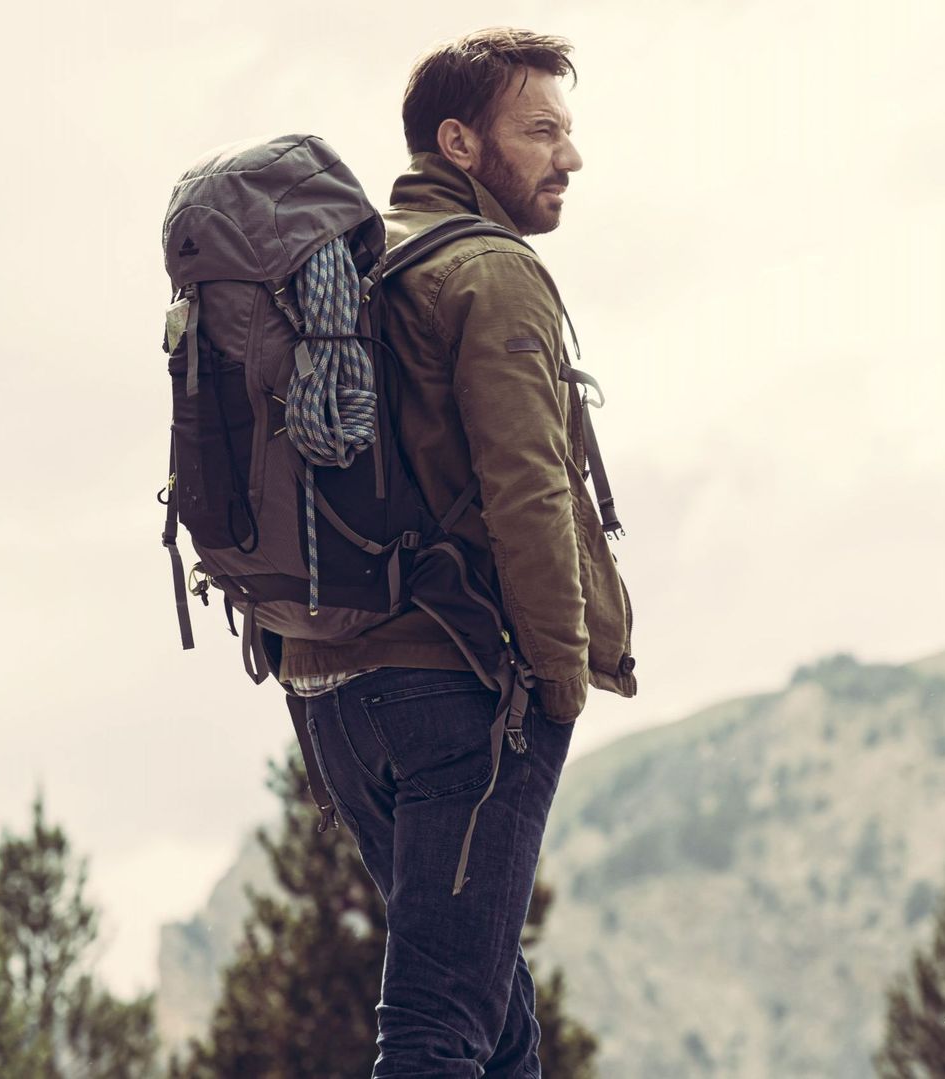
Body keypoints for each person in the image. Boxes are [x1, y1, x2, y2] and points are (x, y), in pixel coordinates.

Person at [275, 27, 636, 1077]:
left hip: (332, 692)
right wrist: (561, 686)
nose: (570, 157)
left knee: (496, 1010)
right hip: (461, 697)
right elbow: (529, 490)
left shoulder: (346, 267)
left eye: (568, 132)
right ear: (459, 141)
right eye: (541, 131)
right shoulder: (490, 271)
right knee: (441, 1026)